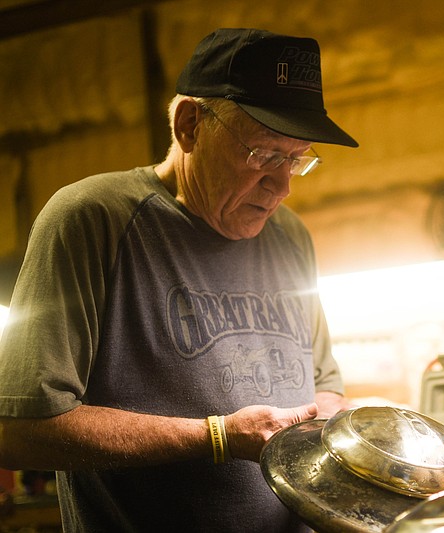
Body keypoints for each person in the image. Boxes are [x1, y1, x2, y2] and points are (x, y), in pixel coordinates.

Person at [0, 28, 358, 532]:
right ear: (190, 124)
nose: (282, 186)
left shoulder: (290, 237)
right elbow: (20, 428)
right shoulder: (91, 219)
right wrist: (216, 438)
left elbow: (324, 383)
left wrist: (343, 424)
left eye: (298, 159)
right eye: (266, 155)